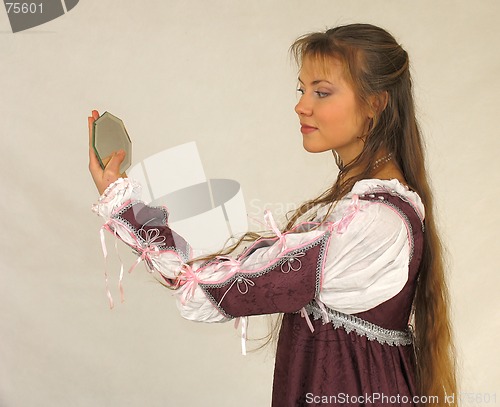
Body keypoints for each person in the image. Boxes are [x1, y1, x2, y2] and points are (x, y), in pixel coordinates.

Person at [88, 23, 457, 406]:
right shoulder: (366, 210)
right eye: (302, 89)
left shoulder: (371, 224)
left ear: (375, 104)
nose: (302, 105)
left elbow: (205, 289)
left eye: (322, 92)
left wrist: (122, 205)